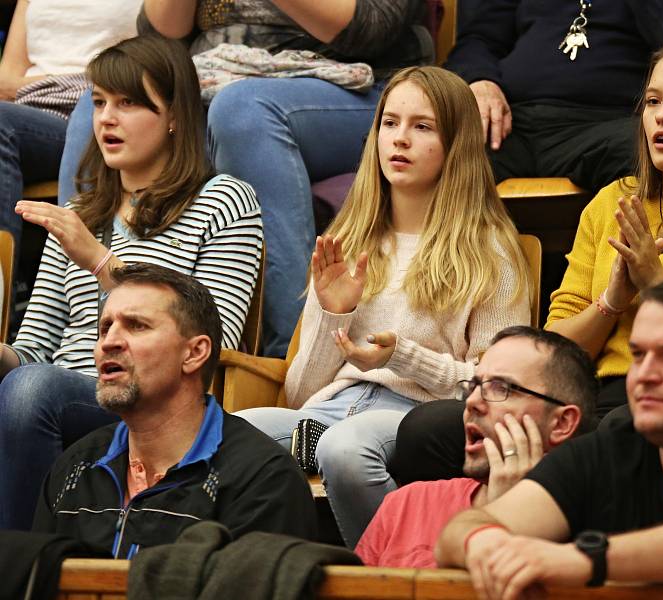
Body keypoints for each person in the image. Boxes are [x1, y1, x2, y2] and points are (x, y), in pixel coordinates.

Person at [390, 38, 663, 484]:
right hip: (588, 402)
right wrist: (613, 299)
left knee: (617, 435)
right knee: (426, 430)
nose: (662, 115)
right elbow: (556, 350)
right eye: (653, 101)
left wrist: (657, 282)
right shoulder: (612, 201)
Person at [237, 65, 531, 549]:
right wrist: (333, 312)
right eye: (390, 123)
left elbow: (495, 388)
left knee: (344, 449)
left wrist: (402, 356)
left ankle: (393, 576)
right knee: (231, 436)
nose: (400, 139)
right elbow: (301, 390)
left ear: (456, 144)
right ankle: (288, 571)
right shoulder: (348, 242)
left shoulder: (489, 253)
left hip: (415, 416)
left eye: (422, 126)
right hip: (330, 407)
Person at [58, 0, 433, 358]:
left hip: (352, 86)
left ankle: (291, 354)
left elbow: (372, 29)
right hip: (216, 77)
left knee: (242, 110)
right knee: (95, 109)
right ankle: (76, 341)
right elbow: (160, 36)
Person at [0, 34, 263, 531]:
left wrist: (101, 263)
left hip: (154, 398)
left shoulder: (224, 200)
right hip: (56, 389)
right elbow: (33, 351)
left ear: (174, 118)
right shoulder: (80, 216)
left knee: (31, 391)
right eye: (99, 103)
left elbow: (214, 335)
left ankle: (19, 563)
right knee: (28, 384)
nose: (106, 118)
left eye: (128, 103)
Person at [436, 270, 663, 596]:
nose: (643, 375)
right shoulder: (602, 455)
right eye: (639, 355)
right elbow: (460, 532)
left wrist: (586, 559)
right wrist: (487, 544)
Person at [33, 263, 316, 557]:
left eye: (136, 325)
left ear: (194, 353)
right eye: (105, 328)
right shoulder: (75, 468)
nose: (109, 342)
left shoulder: (263, 480)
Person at [446, 0, 663, 192]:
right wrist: (479, 79)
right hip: (511, 120)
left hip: (613, 123)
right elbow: (477, 39)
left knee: (656, 153)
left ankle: (629, 291)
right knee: (430, 150)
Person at [356, 326, 596, 568]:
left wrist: (510, 517)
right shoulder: (405, 504)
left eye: (503, 388)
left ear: (561, 423)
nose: (472, 402)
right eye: (473, 387)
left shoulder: (591, 535)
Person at [0, 0, 139, 249]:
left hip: (96, 106)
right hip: (26, 111)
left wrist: (42, 82)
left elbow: (150, 61)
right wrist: (65, 81)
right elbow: (5, 80)